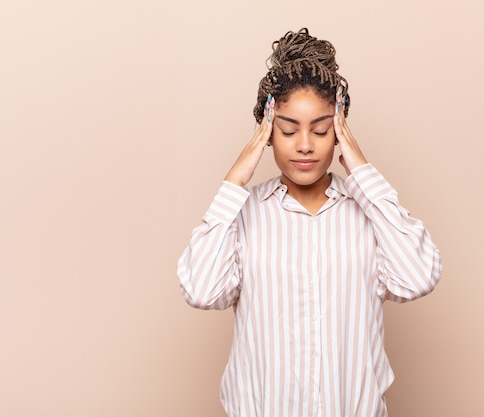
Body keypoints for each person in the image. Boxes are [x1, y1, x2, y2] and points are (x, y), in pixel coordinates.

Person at [177, 28, 442, 417]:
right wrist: (235, 180)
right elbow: (201, 290)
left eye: (320, 130)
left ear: (339, 131)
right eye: (288, 130)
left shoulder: (369, 215)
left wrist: (362, 170)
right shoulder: (244, 214)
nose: (305, 144)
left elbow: (417, 277)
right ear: (266, 133)